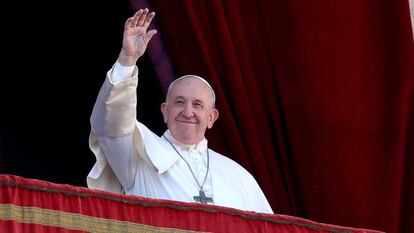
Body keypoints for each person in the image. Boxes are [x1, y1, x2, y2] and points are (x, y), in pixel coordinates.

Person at [86, 8, 274, 214]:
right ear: (165, 111)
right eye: (179, 102)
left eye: (197, 105)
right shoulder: (138, 155)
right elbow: (111, 122)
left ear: (211, 117)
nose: (187, 112)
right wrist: (127, 60)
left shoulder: (239, 177)